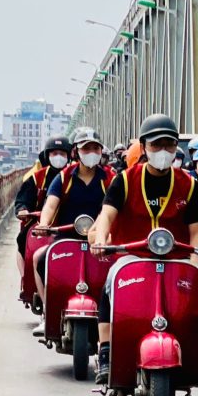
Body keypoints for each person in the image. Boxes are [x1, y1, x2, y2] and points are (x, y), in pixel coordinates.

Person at [90, 114, 198, 390]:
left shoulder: (188, 184)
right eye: (156, 145)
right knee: (111, 282)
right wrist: (102, 239)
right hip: (133, 257)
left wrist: (195, 262)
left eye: (169, 145)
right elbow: (106, 215)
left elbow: (196, 231)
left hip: (176, 257)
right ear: (144, 146)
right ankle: (105, 351)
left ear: (177, 148)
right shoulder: (125, 180)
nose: (163, 151)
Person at [29, 128, 115, 335]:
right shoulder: (64, 177)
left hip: (101, 240)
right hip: (66, 237)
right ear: (76, 152)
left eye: (95, 148)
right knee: (40, 259)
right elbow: (50, 205)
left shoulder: (110, 178)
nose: (91, 152)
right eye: (86, 148)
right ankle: (46, 312)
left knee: (117, 273)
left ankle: (113, 317)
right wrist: (44, 223)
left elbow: (117, 206)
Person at [14, 137, 72, 280]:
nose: (58, 157)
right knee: (22, 239)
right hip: (40, 223)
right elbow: (23, 199)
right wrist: (23, 209)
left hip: (68, 222)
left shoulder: (74, 175)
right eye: (54, 153)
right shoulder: (36, 178)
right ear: (47, 156)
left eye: (62, 154)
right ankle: (25, 278)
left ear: (69, 156)